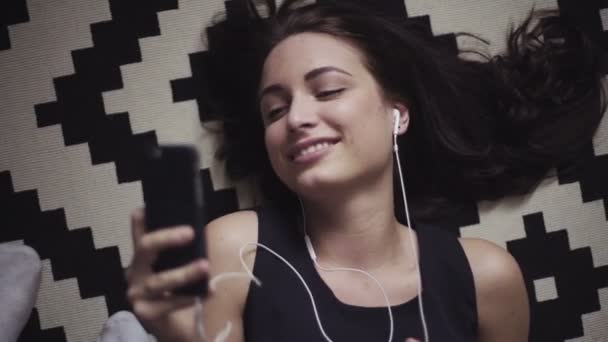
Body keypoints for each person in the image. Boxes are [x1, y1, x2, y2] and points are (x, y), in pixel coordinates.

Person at [125, 0, 605, 341]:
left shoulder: (487, 278)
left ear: (397, 114)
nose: (295, 118)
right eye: (275, 110)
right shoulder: (236, 252)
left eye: (328, 90)